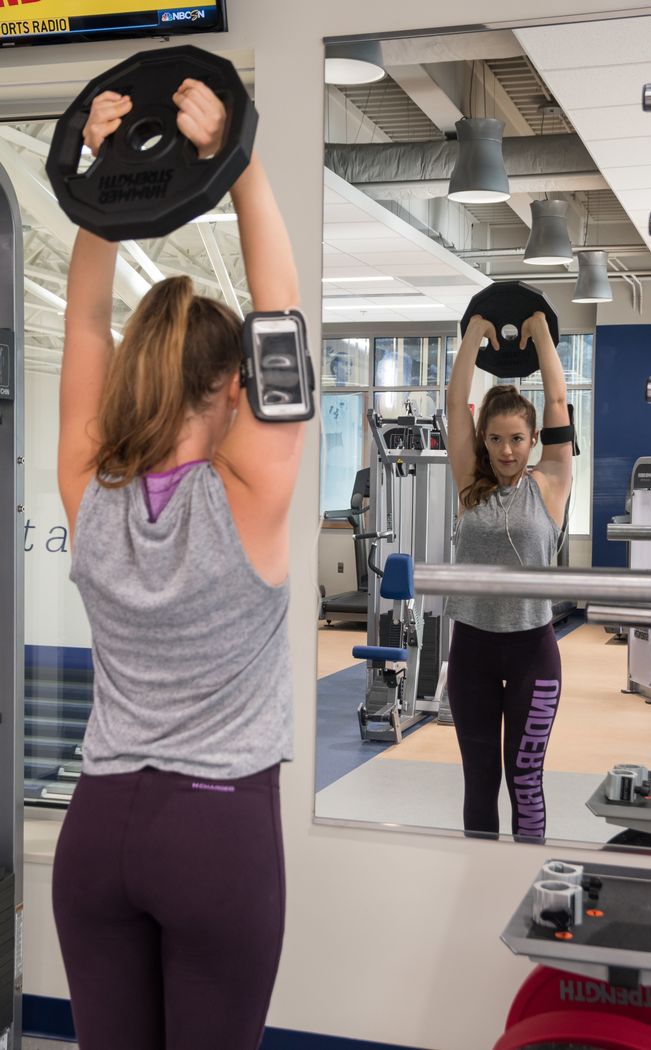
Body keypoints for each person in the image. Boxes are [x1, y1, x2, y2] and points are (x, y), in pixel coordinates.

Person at [51, 80, 306, 1050]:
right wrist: (235, 160)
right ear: (236, 388)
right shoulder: (254, 501)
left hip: (99, 828)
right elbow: (283, 318)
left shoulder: (89, 490)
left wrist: (102, 186)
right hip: (217, 831)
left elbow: (82, 325)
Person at [445, 311, 573, 841]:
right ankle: (480, 888)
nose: (506, 450)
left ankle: (527, 884)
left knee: (525, 779)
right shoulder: (469, 481)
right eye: (495, 439)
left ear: (533, 437)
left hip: (532, 654)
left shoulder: (551, 484)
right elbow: (455, 405)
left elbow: (559, 402)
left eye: (517, 439)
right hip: (472, 650)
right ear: (483, 439)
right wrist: (474, 332)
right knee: (480, 781)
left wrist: (541, 335)